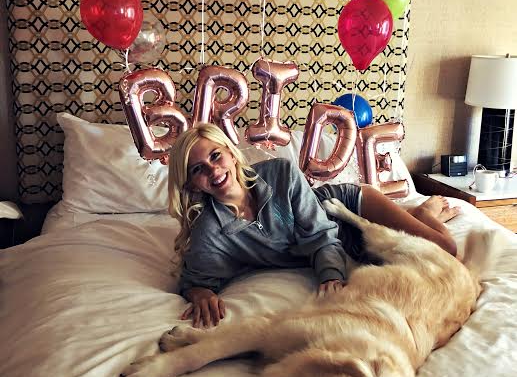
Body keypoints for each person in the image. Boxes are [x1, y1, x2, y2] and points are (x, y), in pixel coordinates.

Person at [168, 123, 460, 328]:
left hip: (348, 208)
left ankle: (425, 211)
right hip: (348, 247)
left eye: (215, 155)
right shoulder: (211, 230)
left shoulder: (280, 171)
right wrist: (200, 294)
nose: (213, 169)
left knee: (447, 250)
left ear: (231, 154)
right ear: (192, 183)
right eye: (198, 169)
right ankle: (413, 216)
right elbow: (195, 280)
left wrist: (330, 277)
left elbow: (321, 236)